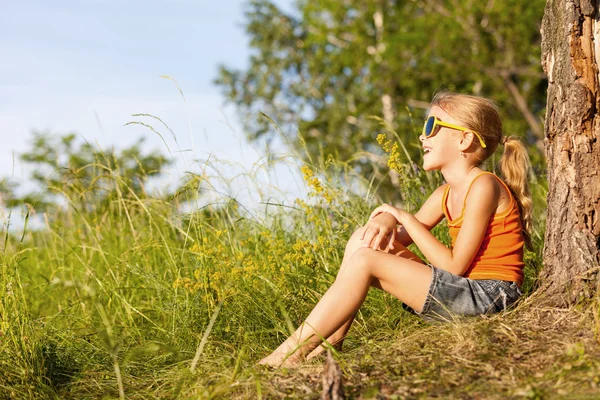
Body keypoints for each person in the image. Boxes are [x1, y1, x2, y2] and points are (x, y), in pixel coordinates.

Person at [259, 91, 532, 367]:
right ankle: (329, 347)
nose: (422, 137)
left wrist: (403, 216)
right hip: (463, 292)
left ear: (465, 139)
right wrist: (387, 220)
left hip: (490, 297)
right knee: (363, 241)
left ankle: (289, 354)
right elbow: (390, 239)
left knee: (366, 259)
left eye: (432, 127)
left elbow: (454, 267)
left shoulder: (484, 186)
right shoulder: (444, 194)